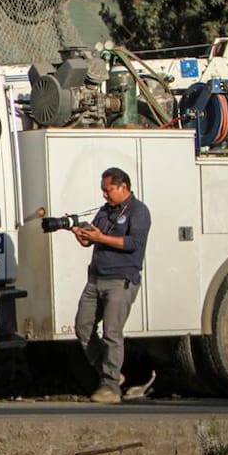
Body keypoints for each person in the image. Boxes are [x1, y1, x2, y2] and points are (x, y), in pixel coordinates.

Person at [70, 167, 151, 404]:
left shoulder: (138, 211)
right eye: (103, 191)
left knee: (111, 333)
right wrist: (82, 235)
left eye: (108, 190)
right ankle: (110, 371)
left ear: (122, 187)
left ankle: (111, 387)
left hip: (121, 280)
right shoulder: (106, 211)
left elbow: (133, 243)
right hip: (96, 278)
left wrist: (100, 238)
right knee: (82, 326)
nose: (104, 195)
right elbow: (93, 239)